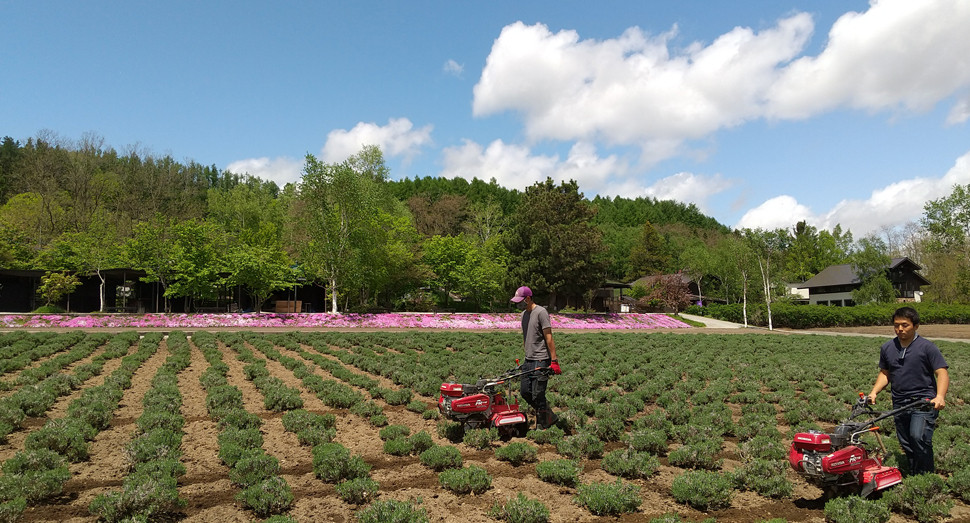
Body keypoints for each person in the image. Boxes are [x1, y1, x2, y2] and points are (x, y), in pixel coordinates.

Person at [867, 306, 949, 475]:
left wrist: (940, 396)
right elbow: (885, 373)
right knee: (906, 442)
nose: (900, 329)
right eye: (896, 325)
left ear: (916, 326)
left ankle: (926, 479)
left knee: (918, 437)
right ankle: (914, 475)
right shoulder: (888, 348)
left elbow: (941, 372)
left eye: (905, 325)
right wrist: (874, 392)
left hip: (923, 402)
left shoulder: (927, 347)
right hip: (900, 402)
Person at [510, 286, 562, 429]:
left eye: (520, 301)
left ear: (528, 298)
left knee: (538, 395)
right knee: (525, 392)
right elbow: (526, 336)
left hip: (541, 359)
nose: (518, 304)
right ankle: (549, 415)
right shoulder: (523, 315)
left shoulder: (541, 312)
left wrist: (554, 361)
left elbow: (549, 337)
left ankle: (542, 425)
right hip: (529, 359)